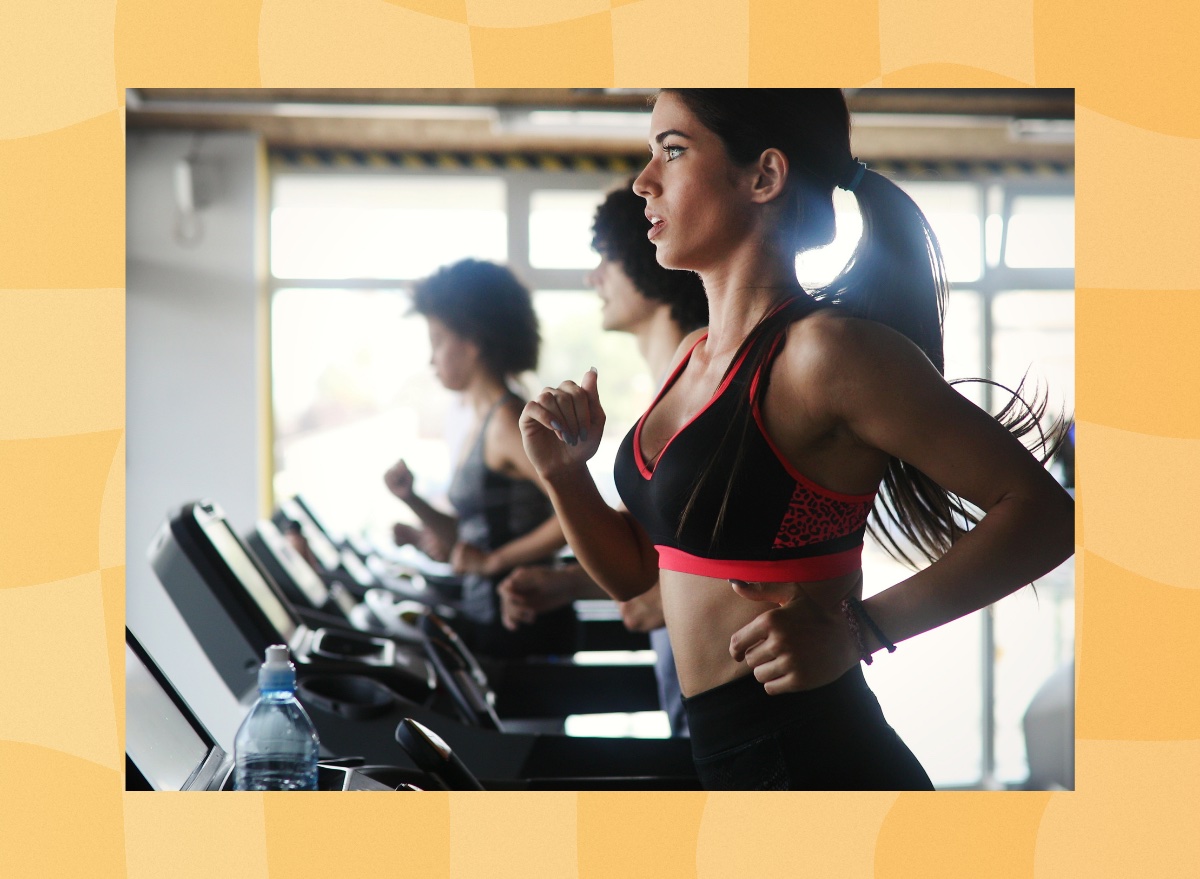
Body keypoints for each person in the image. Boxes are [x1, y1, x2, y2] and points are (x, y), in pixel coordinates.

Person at [517, 89, 1074, 790]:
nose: (643, 180)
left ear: (764, 177)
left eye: (673, 149)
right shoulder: (692, 355)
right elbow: (638, 571)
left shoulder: (825, 355)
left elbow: (1046, 513)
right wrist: (565, 475)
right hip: (727, 759)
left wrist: (860, 630)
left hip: (813, 762)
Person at [498, 180, 708, 736]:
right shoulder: (670, 386)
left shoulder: (708, 381)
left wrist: (670, 596)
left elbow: (761, 545)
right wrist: (567, 584)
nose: (595, 278)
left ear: (646, 258)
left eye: (606, 260)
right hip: (688, 690)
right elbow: (661, 555)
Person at [383, 258, 573, 659]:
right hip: (492, 619)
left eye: (437, 340)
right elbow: (472, 539)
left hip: (524, 623)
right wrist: (411, 499)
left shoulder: (508, 422)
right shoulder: (480, 423)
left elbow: (577, 515)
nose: (431, 358)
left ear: (472, 342)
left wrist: (495, 561)